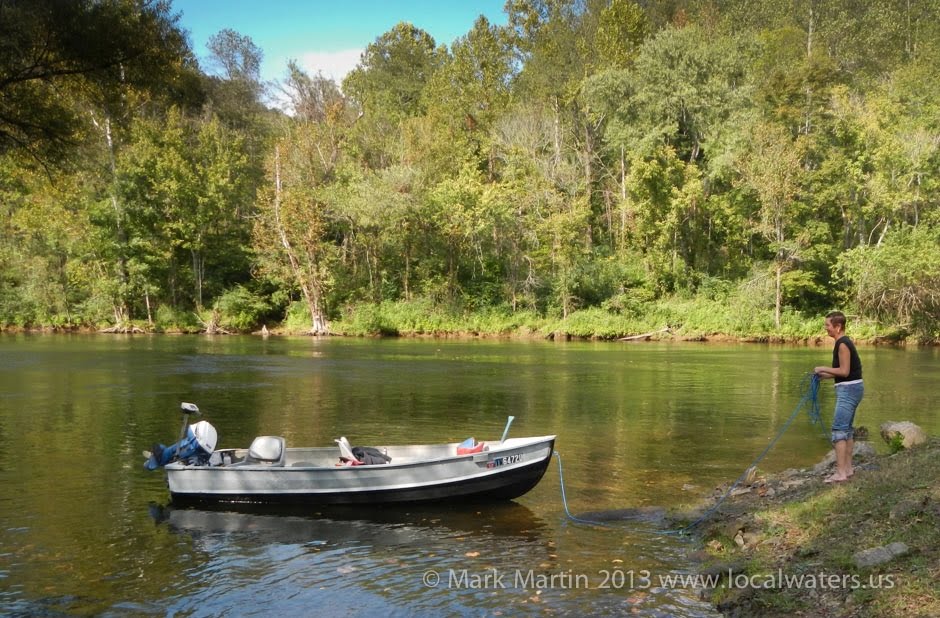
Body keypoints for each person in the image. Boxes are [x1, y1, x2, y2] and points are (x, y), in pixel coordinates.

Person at [814, 311, 864, 483]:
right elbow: (846, 373)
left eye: (828, 325)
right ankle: (848, 470)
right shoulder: (843, 342)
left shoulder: (842, 344)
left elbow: (844, 371)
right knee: (847, 430)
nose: (826, 328)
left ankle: (840, 473)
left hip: (849, 391)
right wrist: (824, 377)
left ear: (838, 326)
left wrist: (823, 368)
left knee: (838, 430)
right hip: (852, 387)